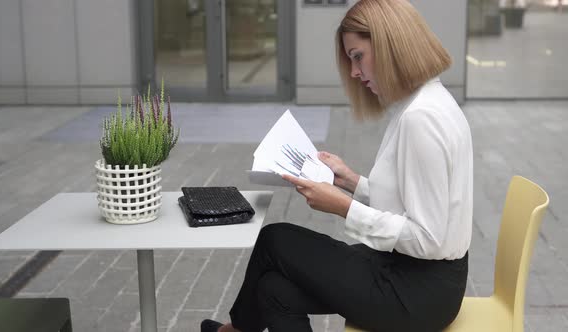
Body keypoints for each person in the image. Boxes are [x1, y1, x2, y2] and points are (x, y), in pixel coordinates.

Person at [201, 0, 473, 331]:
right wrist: (350, 181)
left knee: (275, 239)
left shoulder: (421, 119)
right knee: (274, 290)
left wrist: (344, 208)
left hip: (417, 292)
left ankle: (236, 331)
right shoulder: (428, 102)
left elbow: (428, 239)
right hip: (418, 276)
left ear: (389, 44)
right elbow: (414, 202)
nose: (355, 72)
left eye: (358, 56)